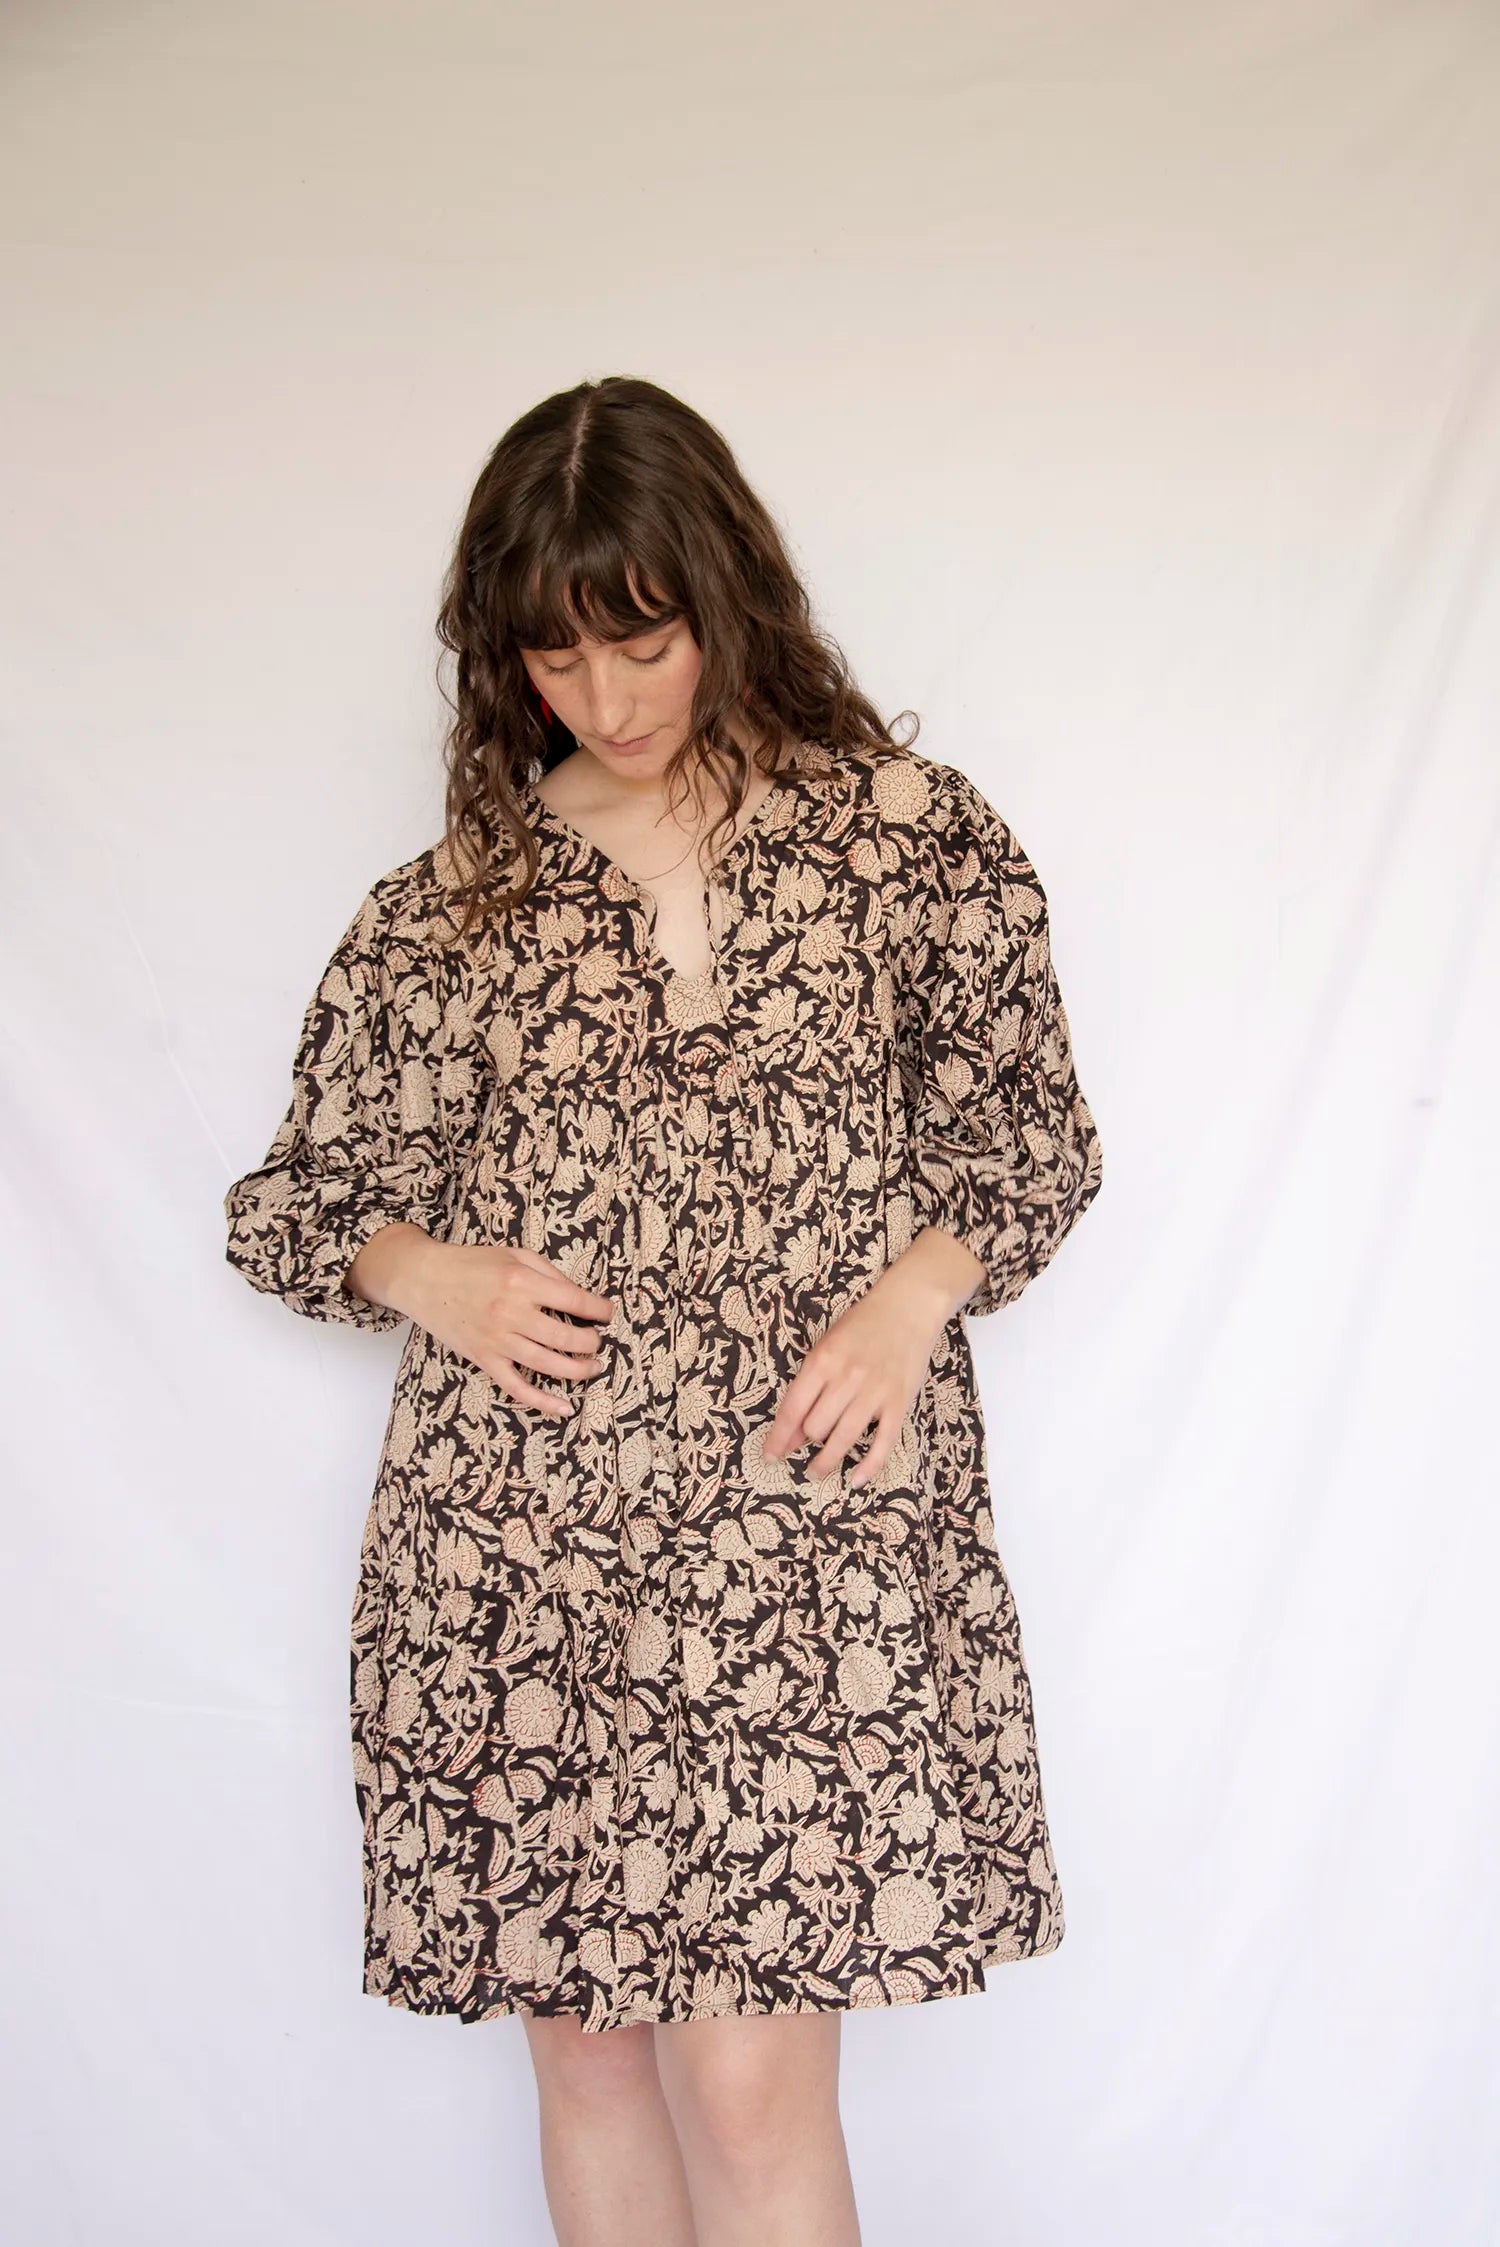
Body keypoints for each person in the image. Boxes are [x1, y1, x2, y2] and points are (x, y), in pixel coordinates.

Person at [222, 374, 1104, 2247]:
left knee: (751, 2081)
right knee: (593, 2061)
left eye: (642, 644)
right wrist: (431, 1272)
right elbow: (290, 1205)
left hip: (798, 1536)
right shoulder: (456, 905)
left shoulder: (903, 840)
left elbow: (1033, 1137)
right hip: (522, 1548)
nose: (608, 703)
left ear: (724, 595)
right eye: (556, 661)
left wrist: (907, 1305)